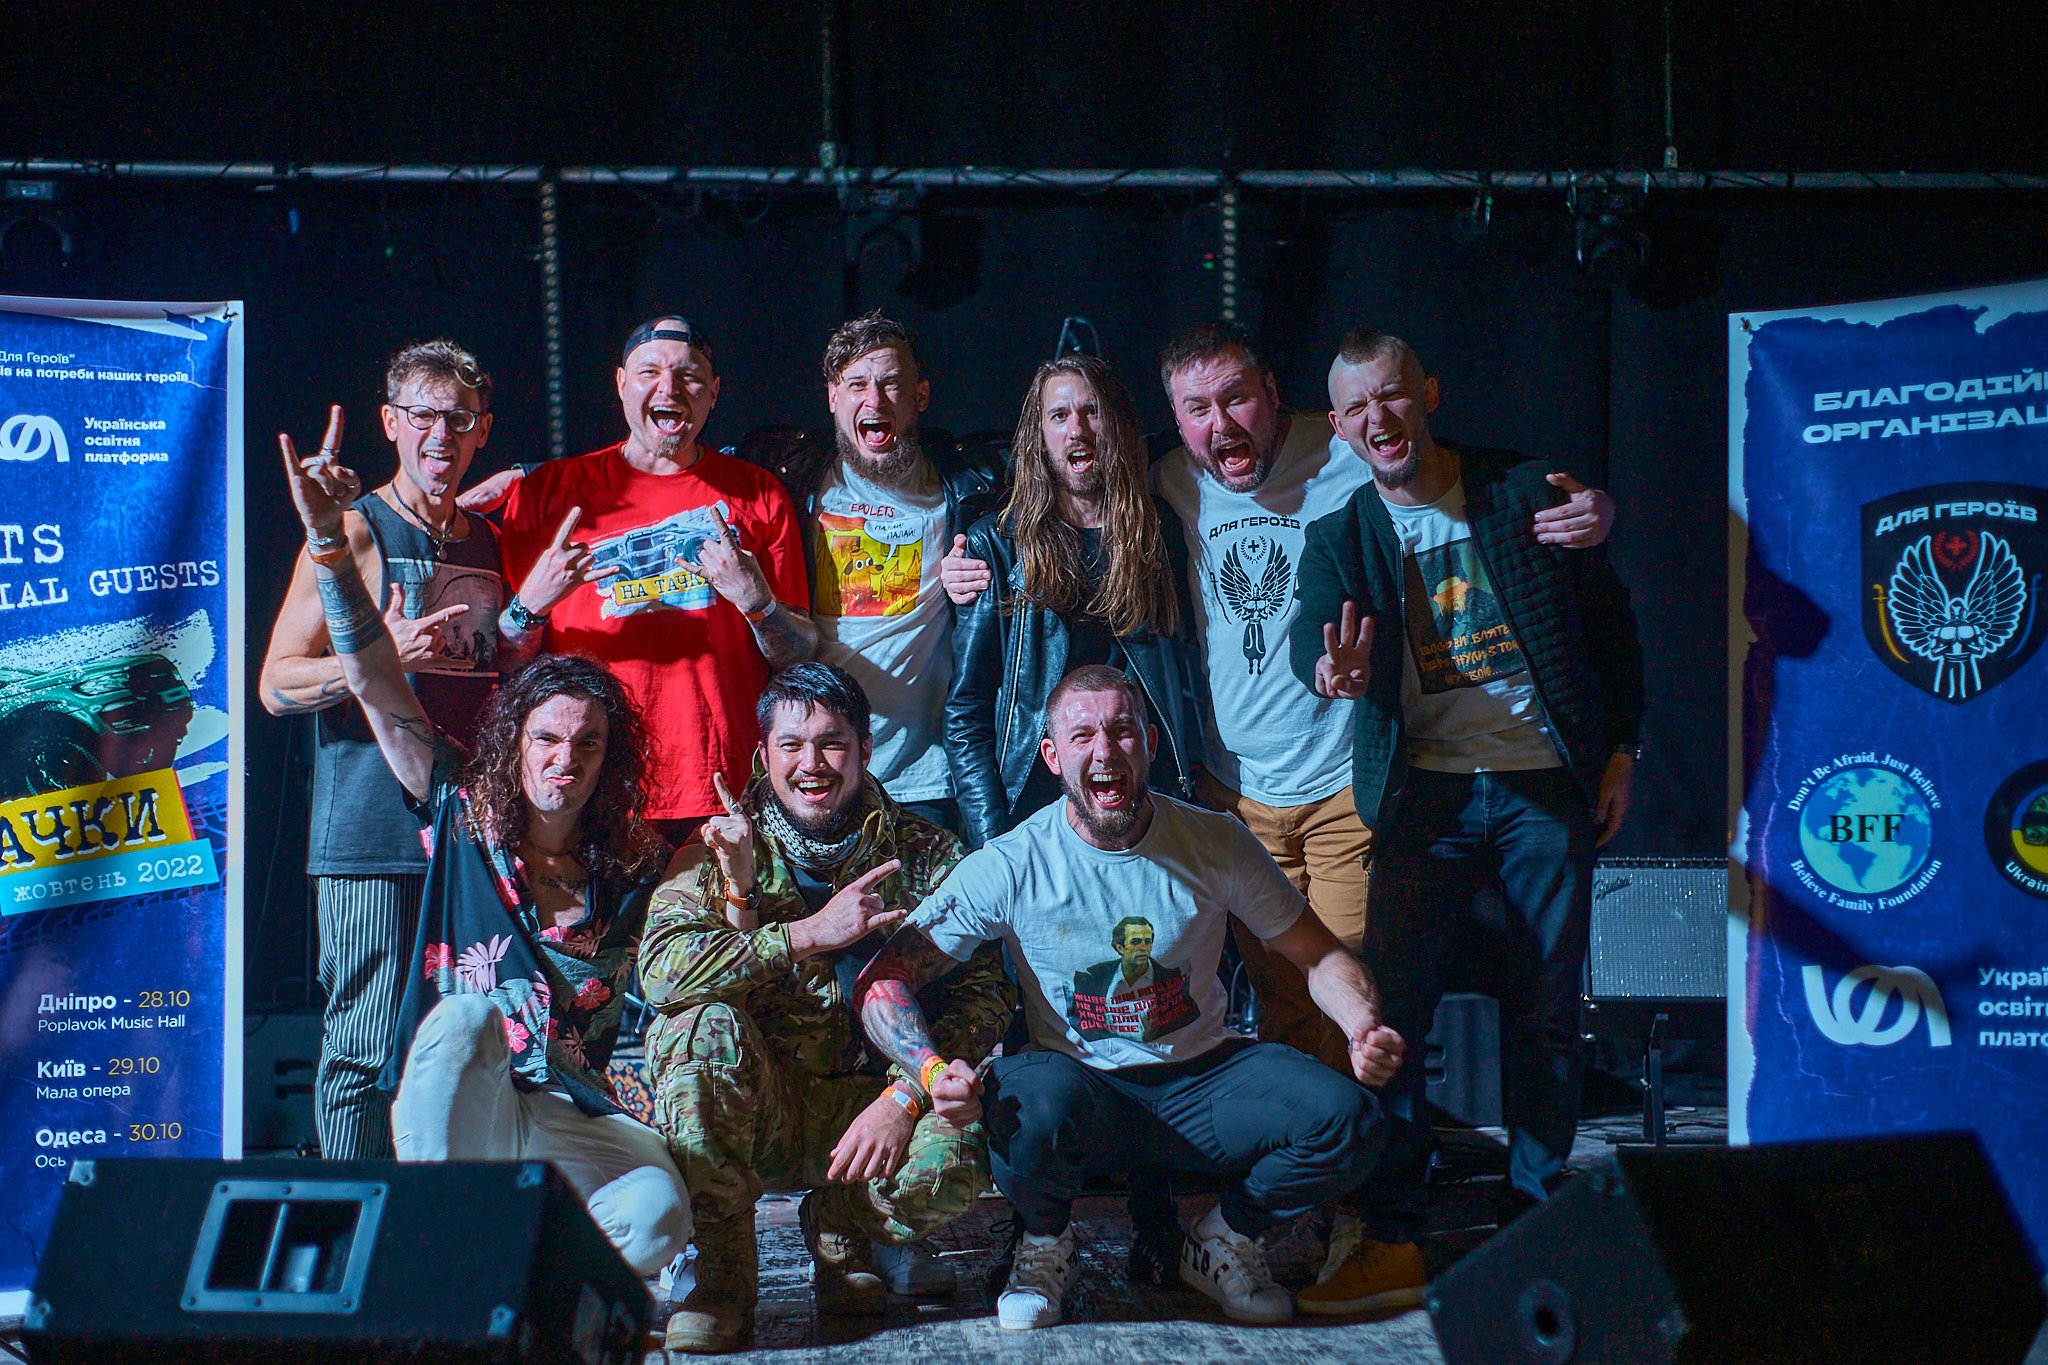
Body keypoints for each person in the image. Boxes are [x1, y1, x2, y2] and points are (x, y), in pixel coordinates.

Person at [853, 665, 1427, 1330]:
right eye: (1083, 735)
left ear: (1150, 743)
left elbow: (1318, 954)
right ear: (1053, 756)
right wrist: (928, 1073)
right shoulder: (1014, 861)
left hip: (1201, 1082)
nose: (1105, 750)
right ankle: (1045, 1242)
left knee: (1349, 1118)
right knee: (1019, 1106)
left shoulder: (1214, 840)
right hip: (1084, 1089)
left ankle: (1224, 1238)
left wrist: (1361, 1024)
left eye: (1123, 730)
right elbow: (883, 977)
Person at [277, 427, 691, 1279]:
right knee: (466, 1016)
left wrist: (737, 875)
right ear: (515, 744)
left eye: (587, 743)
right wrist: (328, 544)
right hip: (470, 1099)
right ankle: (437, 1272)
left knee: (659, 1215)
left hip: (568, 1109)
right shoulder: (464, 810)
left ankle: (513, 1283)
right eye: (547, 739)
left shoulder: (631, 865)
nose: (564, 760)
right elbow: (374, 680)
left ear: (609, 759)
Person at [1291, 328, 1644, 1294]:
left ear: (1430, 394)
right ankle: (1393, 1230)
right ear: (1339, 428)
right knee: (1394, 1014)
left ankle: (1534, 1220)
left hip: (1542, 785)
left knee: (1547, 1013)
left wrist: (1622, 749)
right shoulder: (1342, 535)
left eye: (1393, 395)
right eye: (1358, 407)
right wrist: (1331, 670)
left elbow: (1612, 628)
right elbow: (1312, 636)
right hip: (1425, 793)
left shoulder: (1521, 493)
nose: (1379, 418)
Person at [639, 663, 1014, 1353]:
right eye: (791, 744)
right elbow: (662, 976)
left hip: (875, 1106)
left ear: (865, 748)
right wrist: (804, 934)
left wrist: (907, 1093)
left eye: (832, 742)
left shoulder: (927, 852)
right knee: (696, 1031)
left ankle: (842, 1229)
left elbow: (985, 989)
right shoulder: (722, 847)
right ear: (765, 756)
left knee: (954, 1162)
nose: (811, 762)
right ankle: (724, 1275)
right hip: (762, 1107)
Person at [259, 339, 505, 1160]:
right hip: (369, 834)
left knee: (466, 1045)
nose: (442, 434)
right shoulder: (356, 531)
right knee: (365, 1046)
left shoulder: (487, 539)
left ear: (481, 430)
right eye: (424, 415)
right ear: (391, 423)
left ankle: (441, 1222)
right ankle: (347, 1221)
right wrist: (377, 658)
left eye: (460, 419)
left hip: (469, 826)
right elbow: (276, 683)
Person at [495, 315, 815, 837]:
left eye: (689, 376)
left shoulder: (758, 494)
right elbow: (504, 663)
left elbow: (799, 656)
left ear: (714, 392)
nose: (669, 388)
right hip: (584, 789)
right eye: (650, 372)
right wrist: (530, 606)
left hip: (720, 786)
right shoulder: (545, 493)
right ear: (621, 383)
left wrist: (759, 604)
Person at [734, 312, 1001, 832]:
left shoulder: (968, 486)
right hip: (816, 774)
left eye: (891, 383)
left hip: (924, 777)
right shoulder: (792, 481)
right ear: (833, 397)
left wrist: (977, 568)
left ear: (920, 396)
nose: (874, 401)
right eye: (857, 384)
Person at [946, 354, 1205, 849]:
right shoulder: (998, 545)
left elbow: (1186, 670)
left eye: (1092, 412)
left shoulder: (1158, 532)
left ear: (1117, 425)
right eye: (1059, 415)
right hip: (1031, 811)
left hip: (1141, 804)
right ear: (1039, 436)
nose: (1077, 430)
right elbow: (967, 710)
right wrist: (991, 842)